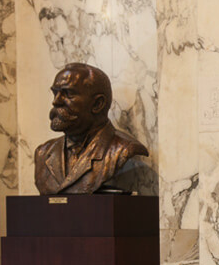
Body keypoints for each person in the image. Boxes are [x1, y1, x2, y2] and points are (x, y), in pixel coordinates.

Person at [34, 63, 148, 195]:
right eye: (55, 93)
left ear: (98, 104)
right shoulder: (43, 153)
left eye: (68, 94)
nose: (56, 101)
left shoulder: (122, 149)